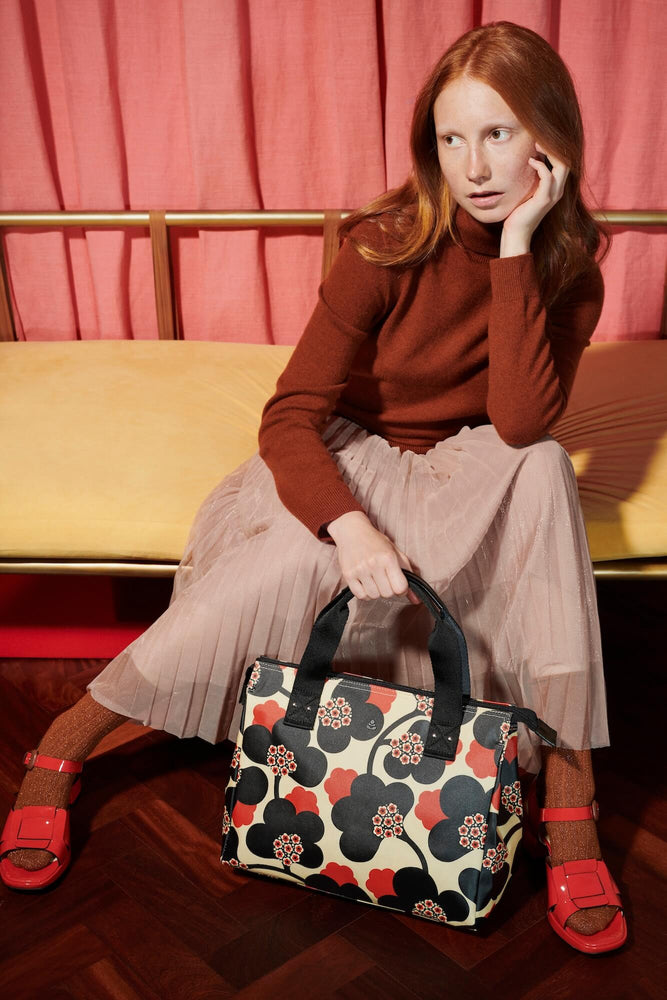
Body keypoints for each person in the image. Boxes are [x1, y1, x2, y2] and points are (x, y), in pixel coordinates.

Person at [0, 21, 625, 954]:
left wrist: (518, 251)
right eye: (451, 139)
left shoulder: (569, 267)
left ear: (551, 138)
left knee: (540, 468)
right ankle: (66, 738)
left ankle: (569, 802)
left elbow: (524, 421)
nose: (473, 165)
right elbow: (288, 413)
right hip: (350, 454)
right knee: (282, 567)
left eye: (498, 134)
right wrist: (349, 527)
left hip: (472, 461)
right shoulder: (384, 244)